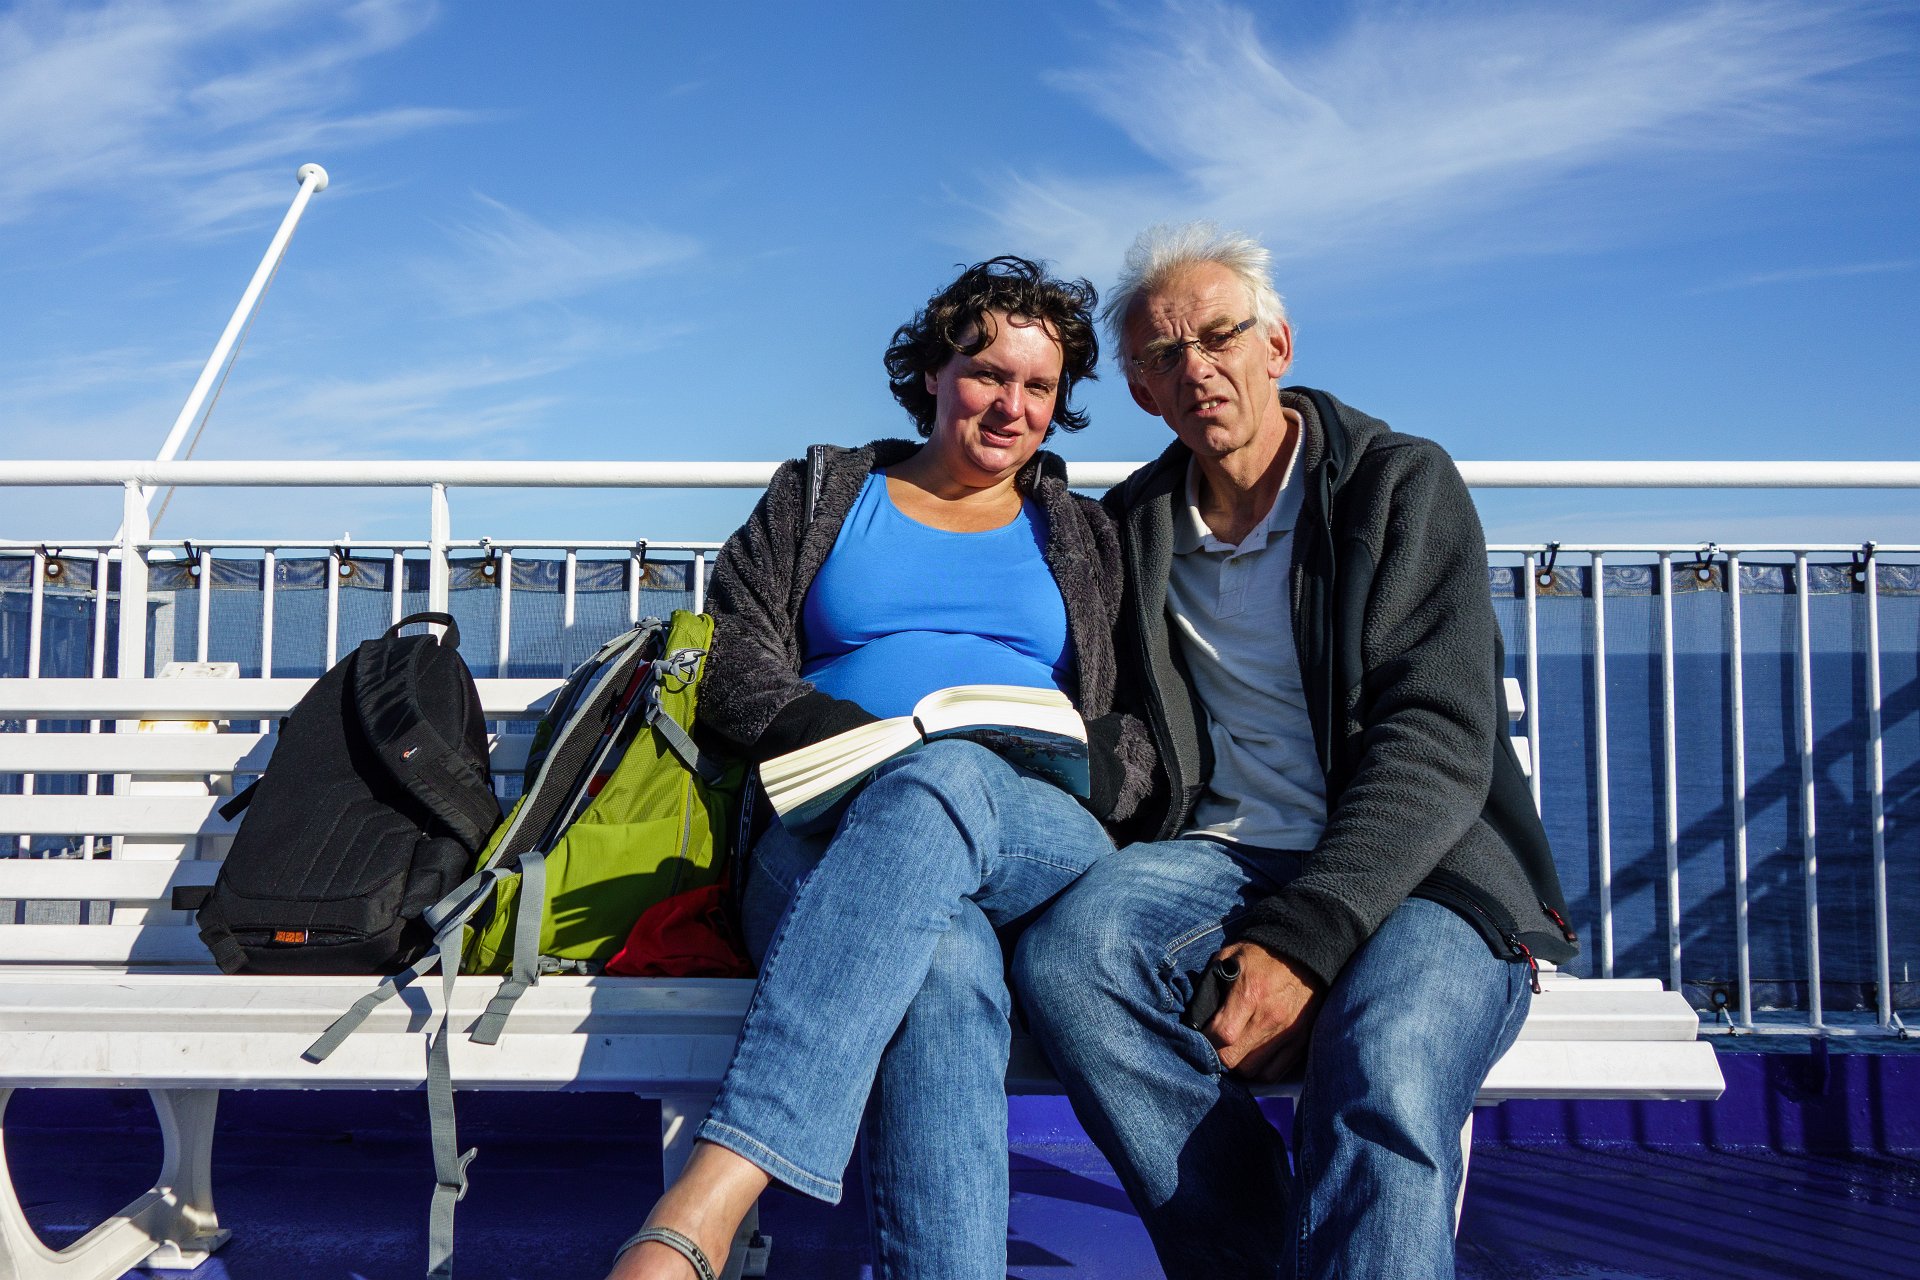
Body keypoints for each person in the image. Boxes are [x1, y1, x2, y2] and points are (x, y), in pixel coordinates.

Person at [1012, 223, 1580, 1279]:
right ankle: (1254, 1256)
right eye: (1165, 354)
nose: (1198, 367)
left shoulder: (1396, 487)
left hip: (1427, 869)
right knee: (1070, 960)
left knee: (1386, 1058)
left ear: (1277, 345)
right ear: (1142, 391)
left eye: (1220, 335)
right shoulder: (1131, 528)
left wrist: (1304, 943)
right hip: (1223, 854)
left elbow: (1436, 738)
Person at [605, 256, 1155, 1280]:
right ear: (934, 373)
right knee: (941, 960)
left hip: (1033, 825)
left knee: (945, 780)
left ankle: (702, 1206)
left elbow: (1141, 720)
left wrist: (1095, 762)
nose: (1013, 406)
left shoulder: (1086, 534)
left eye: (1039, 387)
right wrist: (845, 734)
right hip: (824, 824)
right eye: (988, 373)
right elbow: (728, 656)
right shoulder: (823, 493)